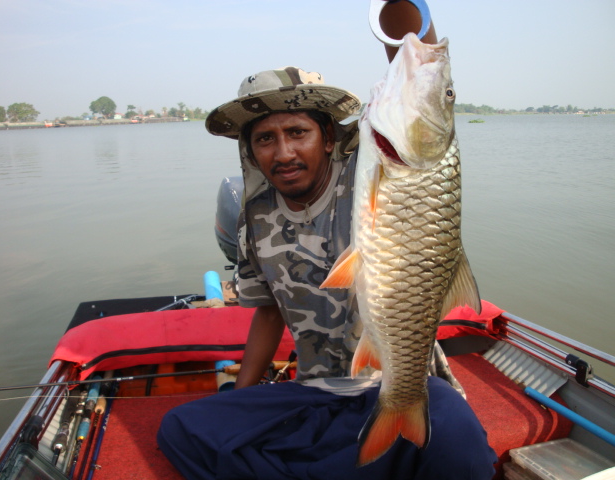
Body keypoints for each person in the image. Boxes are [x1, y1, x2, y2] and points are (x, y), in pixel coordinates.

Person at [158, 2, 497, 478]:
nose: (284, 152)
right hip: (316, 390)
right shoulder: (253, 217)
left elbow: (418, 75)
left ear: (331, 139)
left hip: (399, 380)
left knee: (458, 441)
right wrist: (245, 393)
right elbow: (270, 310)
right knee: (181, 428)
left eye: (298, 132)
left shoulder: (369, 174)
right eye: (265, 139)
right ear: (251, 151)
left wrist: (407, 21)